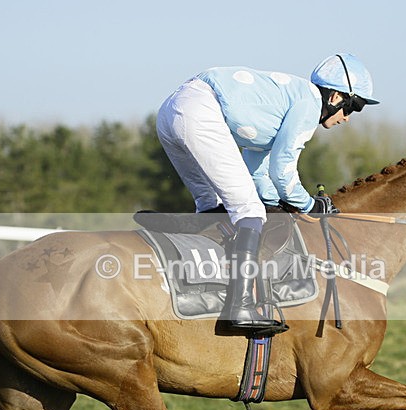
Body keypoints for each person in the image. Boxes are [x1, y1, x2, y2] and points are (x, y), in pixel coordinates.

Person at [156, 53, 378, 332]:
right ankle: (241, 306)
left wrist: (277, 202)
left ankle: (182, 237)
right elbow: (283, 170)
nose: (347, 118)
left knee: (212, 207)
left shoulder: (278, 108)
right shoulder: (308, 105)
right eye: (353, 107)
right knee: (249, 211)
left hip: (170, 111)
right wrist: (310, 205)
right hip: (199, 110)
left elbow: (258, 173)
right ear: (335, 97)